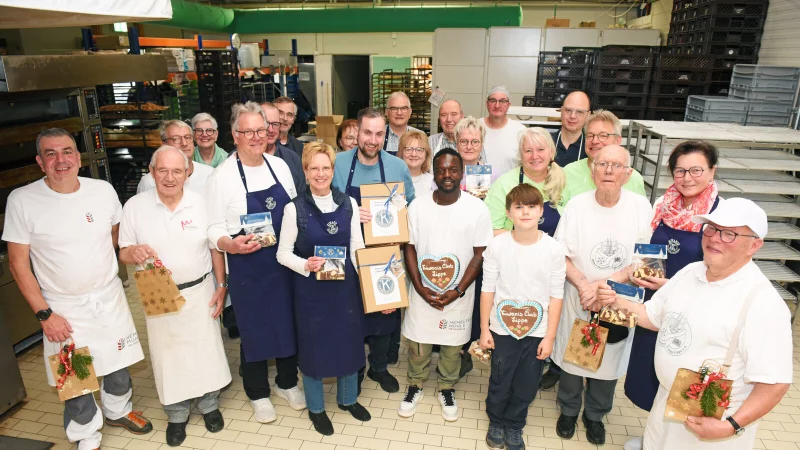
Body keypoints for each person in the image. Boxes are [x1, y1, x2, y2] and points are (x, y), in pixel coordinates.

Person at [601, 198, 792, 450]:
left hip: (711, 423)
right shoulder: (690, 273)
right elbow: (652, 317)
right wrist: (611, 302)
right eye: (710, 228)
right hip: (666, 405)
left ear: (754, 245)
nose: (714, 238)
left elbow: (775, 383)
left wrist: (731, 425)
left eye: (729, 234)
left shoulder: (763, 303)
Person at [4, 128, 152, 450]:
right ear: (40, 162)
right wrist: (45, 314)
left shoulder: (102, 191)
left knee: (117, 361)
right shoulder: (23, 200)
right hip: (63, 307)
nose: (61, 160)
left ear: (79, 157)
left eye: (67, 151)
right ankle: (85, 433)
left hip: (108, 296)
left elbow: (115, 239)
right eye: (51, 154)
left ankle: (118, 410)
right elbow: (17, 264)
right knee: (76, 375)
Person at [118, 146, 231, 447]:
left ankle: (209, 405)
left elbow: (214, 248)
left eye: (177, 171)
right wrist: (133, 252)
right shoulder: (134, 207)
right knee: (168, 355)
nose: (170, 177)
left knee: (204, 349)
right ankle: (177, 414)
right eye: (163, 171)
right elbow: (123, 250)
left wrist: (221, 286)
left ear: (187, 172)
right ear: (152, 172)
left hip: (200, 288)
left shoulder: (201, 203)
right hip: (158, 292)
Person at [206, 102, 305, 423]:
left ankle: (287, 383)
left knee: (289, 324)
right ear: (234, 135)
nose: (255, 137)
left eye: (260, 130)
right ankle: (258, 392)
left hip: (284, 265)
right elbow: (213, 228)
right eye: (247, 131)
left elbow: (292, 212)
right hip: (248, 270)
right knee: (254, 330)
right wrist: (229, 244)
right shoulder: (222, 178)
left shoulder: (279, 166)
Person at [622, 140, 722, 450]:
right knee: (655, 371)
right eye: (680, 170)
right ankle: (655, 437)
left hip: (697, 310)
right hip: (657, 305)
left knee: (685, 377)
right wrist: (641, 271)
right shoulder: (664, 205)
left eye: (696, 170)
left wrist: (672, 286)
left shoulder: (721, 215)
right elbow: (648, 246)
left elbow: (721, 271)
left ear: (711, 171)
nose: (687, 177)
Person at [551, 145, 653, 445]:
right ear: (592, 170)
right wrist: (585, 285)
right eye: (602, 164)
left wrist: (608, 285)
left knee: (609, 357)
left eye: (616, 165)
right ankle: (569, 409)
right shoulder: (577, 206)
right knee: (574, 356)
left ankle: (595, 414)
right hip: (579, 294)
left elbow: (645, 258)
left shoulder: (640, 207)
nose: (608, 170)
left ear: (628, 173)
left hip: (618, 297)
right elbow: (562, 254)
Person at [277, 142, 372, 435]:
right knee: (314, 348)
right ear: (305, 172)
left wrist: (370, 282)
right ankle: (316, 408)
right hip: (311, 293)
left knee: (348, 342)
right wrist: (306, 264)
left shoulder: (349, 204)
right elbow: (282, 253)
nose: (320, 173)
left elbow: (357, 246)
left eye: (326, 167)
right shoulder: (294, 209)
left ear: (333, 170)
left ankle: (347, 399)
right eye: (314, 168)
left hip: (345, 290)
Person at [398, 148, 493, 422]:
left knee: (452, 348)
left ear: (462, 173)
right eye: (441, 170)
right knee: (419, 344)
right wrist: (418, 286)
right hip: (423, 290)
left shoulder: (476, 208)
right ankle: (415, 385)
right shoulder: (418, 206)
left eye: (453, 169)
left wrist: (457, 291)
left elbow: (480, 254)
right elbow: (410, 248)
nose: (447, 175)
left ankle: (446, 388)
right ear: (434, 174)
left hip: (459, 294)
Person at [332, 107, 415, 394]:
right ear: (357, 133)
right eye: (367, 133)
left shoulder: (397, 167)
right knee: (350, 315)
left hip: (384, 253)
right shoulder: (338, 163)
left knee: (384, 316)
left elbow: (410, 207)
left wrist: (395, 213)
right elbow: (322, 203)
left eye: (379, 134)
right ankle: (355, 367)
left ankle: (379, 367)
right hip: (348, 255)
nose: (372, 140)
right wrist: (350, 212)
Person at [480, 184, 565, 450]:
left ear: (541, 211)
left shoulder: (553, 249)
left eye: (531, 206)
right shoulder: (497, 245)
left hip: (537, 330)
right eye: (518, 206)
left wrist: (550, 337)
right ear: (508, 212)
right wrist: (484, 329)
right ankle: (496, 419)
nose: (525, 212)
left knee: (528, 382)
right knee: (500, 376)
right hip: (503, 328)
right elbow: (488, 289)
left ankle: (515, 424)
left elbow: (556, 296)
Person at [484, 127, 566, 238]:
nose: (535, 156)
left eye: (541, 149)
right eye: (528, 151)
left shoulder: (564, 180)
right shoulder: (504, 184)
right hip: (514, 251)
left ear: (551, 152)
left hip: (555, 252)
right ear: (521, 155)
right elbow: (491, 229)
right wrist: (527, 242)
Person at [559, 110, 646, 206]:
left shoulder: (632, 177)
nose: (595, 141)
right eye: (590, 136)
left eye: (603, 136)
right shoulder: (568, 173)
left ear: (618, 140)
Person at [137, 120, 214, 194]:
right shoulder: (150, 182)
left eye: (188, 137)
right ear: (164, 144)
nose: (184, 143)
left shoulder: (211, 175)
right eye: (176, 139)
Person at [481, 86, 527, 177]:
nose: (497, 105)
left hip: (510, 188)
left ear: (508, 105)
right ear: (487, 103)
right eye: (493, 101)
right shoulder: (475, 127)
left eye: (502, 101)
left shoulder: (520, 131)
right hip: (479, 187)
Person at [261, 102, 305, 194]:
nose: (271, 129)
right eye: (266, 123)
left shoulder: (293, 158)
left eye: (275, 124)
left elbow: (302, 197)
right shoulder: (241, 158)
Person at [454, 116, 493, 193]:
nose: (469, 147)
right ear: (456, 145)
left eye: (475, 141)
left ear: (481, 145)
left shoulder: (490, 175)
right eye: (464, 141)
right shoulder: (447, 173)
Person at [551, 91, 590, 167]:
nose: (572, 116)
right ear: (561, 111)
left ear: (588, 115)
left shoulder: (591, 149)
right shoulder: (545, 143)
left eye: (579, 112)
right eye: (568, 110)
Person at [398, 129, 434, 197]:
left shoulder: (432, 182)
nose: (413, 154)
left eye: (419, 150)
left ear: (426, 154)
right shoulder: (393, 180)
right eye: (408, 149)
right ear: (401, 153)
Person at [384, 91, 421, 155]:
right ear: (386, 112)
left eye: (404, 108)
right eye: (394, 108)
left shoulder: (420, 136)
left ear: (410, 112)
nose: (399, 113)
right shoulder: (378, 135)